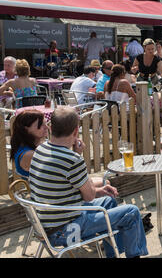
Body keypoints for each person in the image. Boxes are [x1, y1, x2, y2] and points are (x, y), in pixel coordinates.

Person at [29, 106, 148, 258]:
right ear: (75, 131)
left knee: (109, 201)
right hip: (68, 229)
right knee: (132, 212)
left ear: (52, 127)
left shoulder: (41, 149)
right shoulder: (72, 160)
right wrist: (78, 156)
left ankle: (114, 254)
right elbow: (89, 197)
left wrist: (100, 190)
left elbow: (67, 188)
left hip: (46, 226)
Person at [10, 110, 48, 180]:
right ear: (26, 129)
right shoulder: (29, 155)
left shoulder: (33, 146)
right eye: (41, 125)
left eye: (46, 124)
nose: (46, 127)